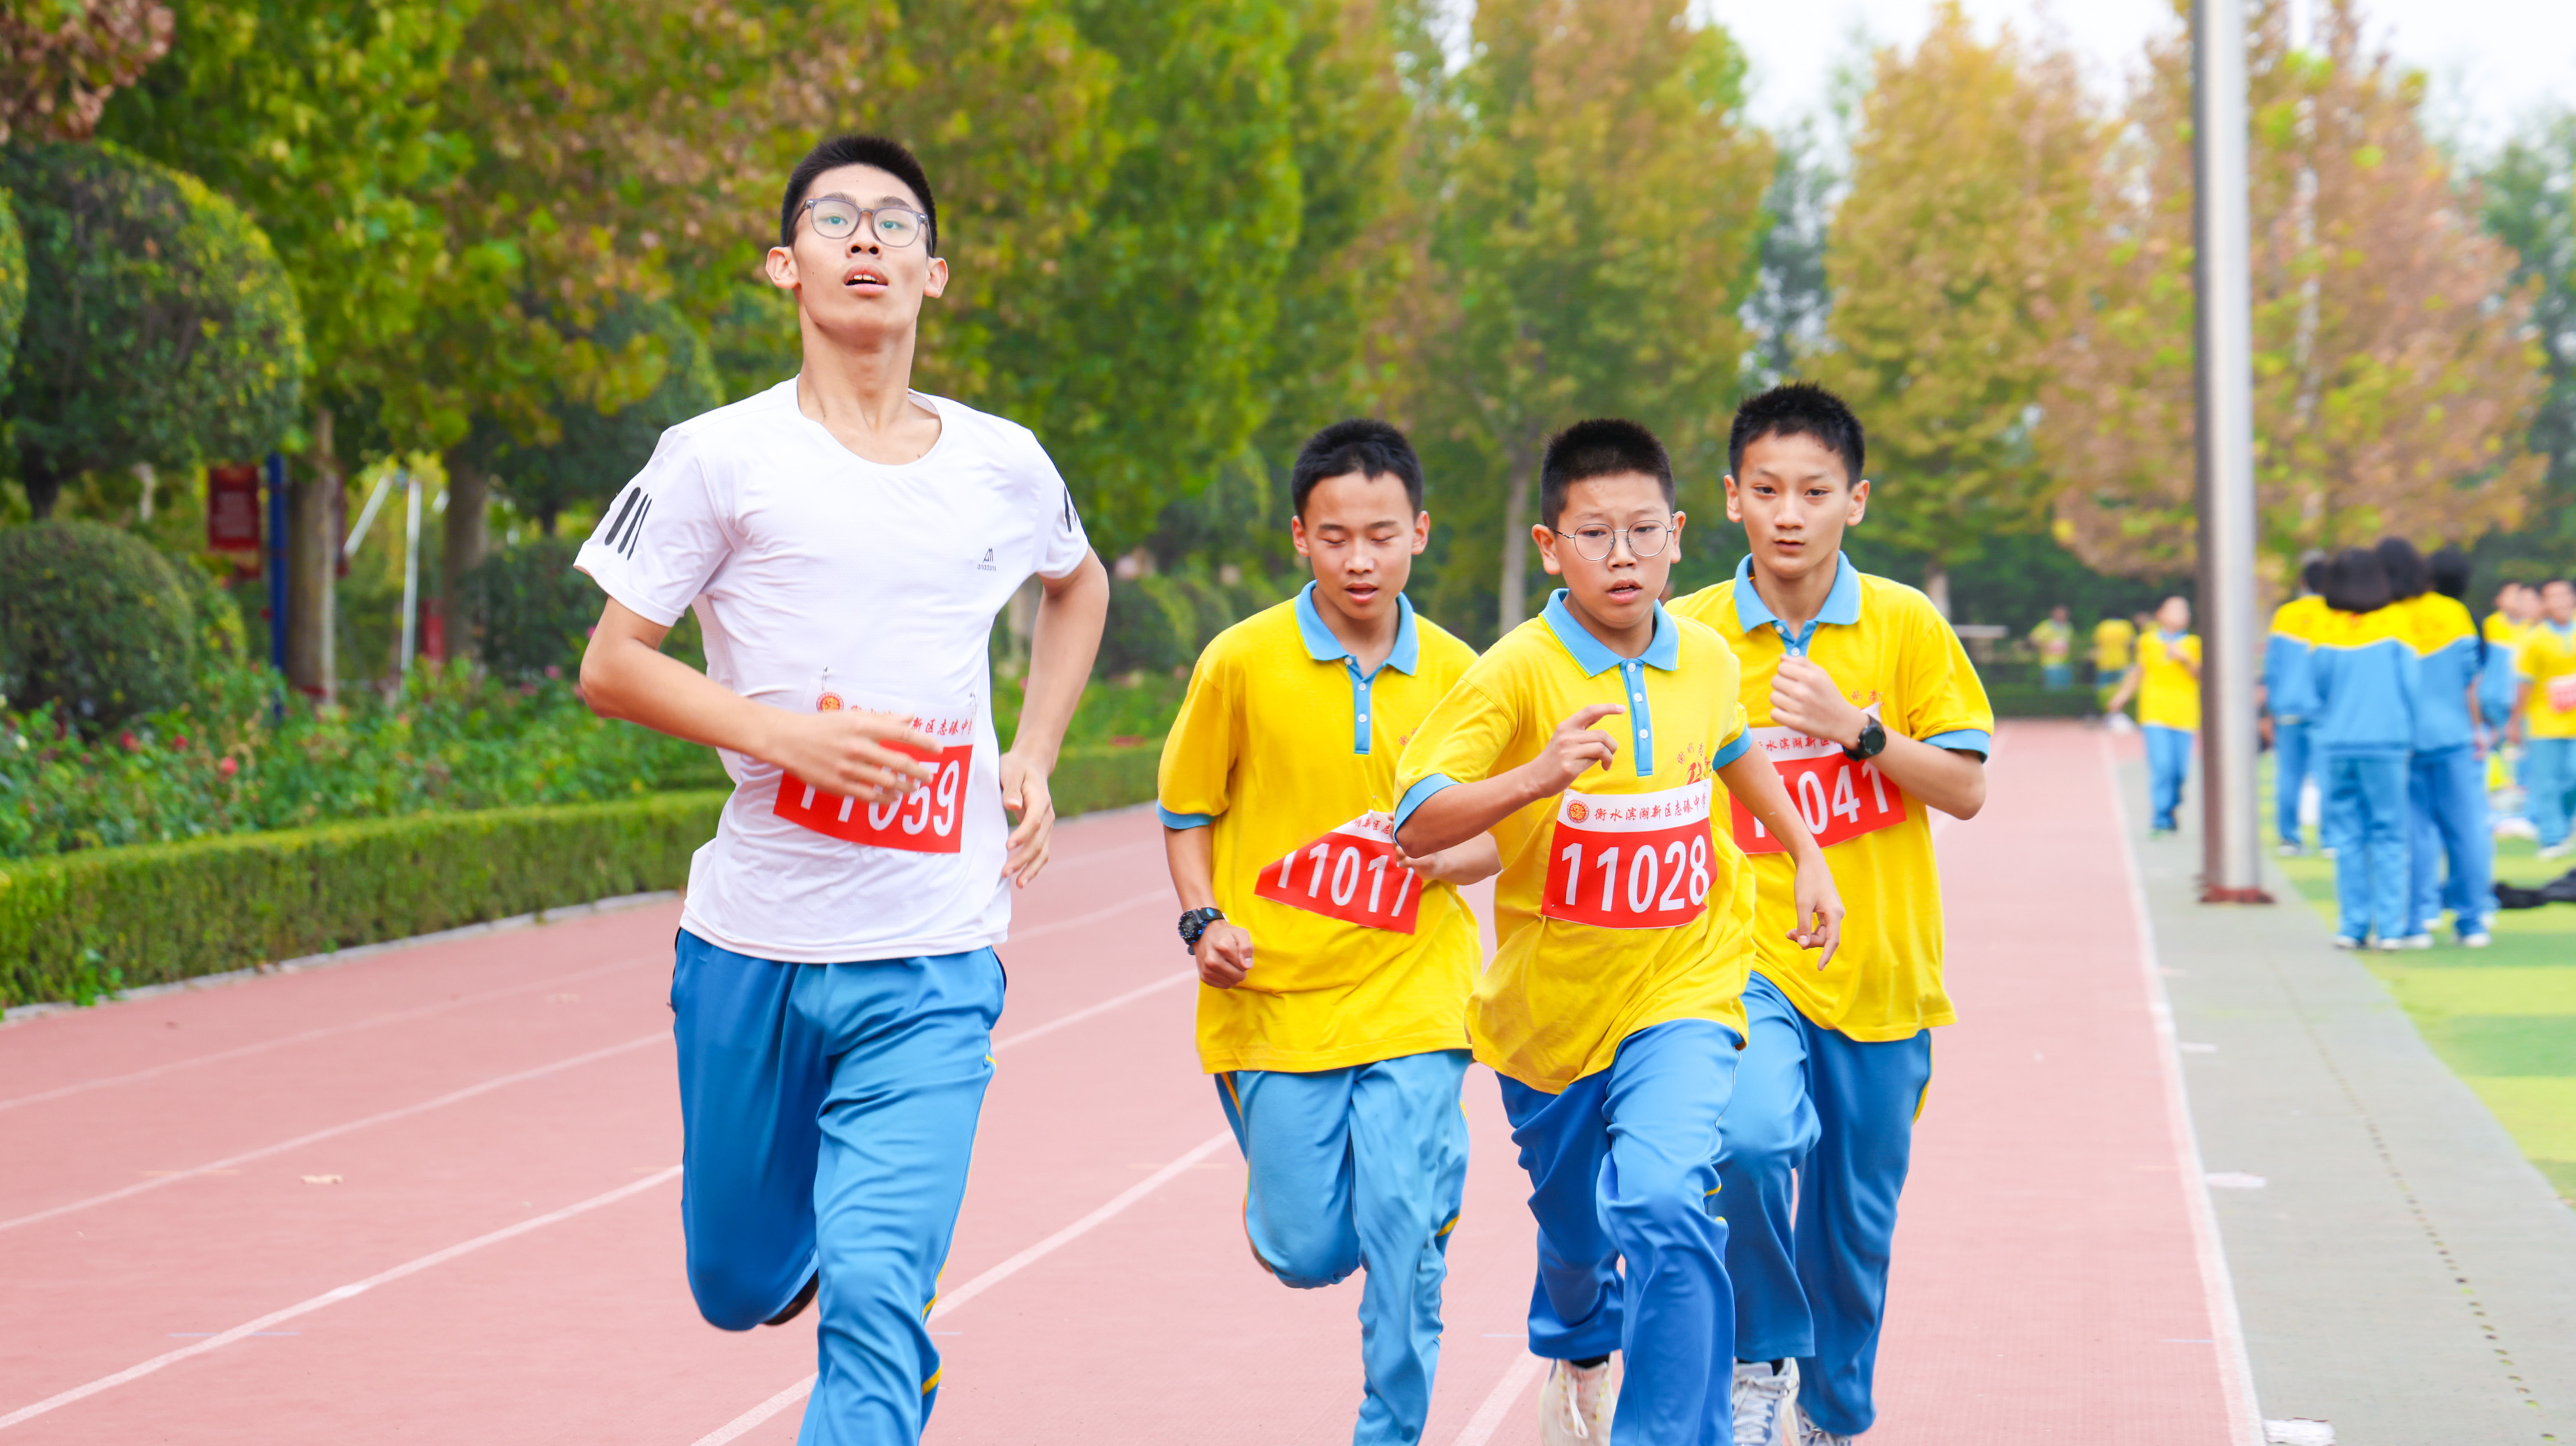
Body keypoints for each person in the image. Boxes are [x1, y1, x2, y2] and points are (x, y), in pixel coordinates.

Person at [574, 134, 1111, 1445]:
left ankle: (882, 1351)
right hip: (753, 940)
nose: (865, 237)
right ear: (785, 265)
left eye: (893, 221)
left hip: (933, 947)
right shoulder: (715, 455)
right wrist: (782, 738)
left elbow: (1077, 582)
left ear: (936, 273)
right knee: (733, 1280)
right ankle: (823, 1277)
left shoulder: (1002, 461)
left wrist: (1033, 751)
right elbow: (610, 665)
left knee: (875, 1296)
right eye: (833, 218)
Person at [1391, 419, 1845, 1446]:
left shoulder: (1707, 659)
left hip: (1684, 986)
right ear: (1552, 547)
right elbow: (1418, 817)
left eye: (1644, 531)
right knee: (1577, 1238)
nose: (1624, 555)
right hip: (1552, 1019)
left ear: (1678, 535)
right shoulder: (1517, 669)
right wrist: (1534, 777)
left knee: (1666, 1200)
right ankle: (1581, 1340)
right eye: (1595, 534)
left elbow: (1733, 746)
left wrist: (1804, 849)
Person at [1155, 420, 1495, 1446]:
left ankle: (1391, 1426)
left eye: (1382, 536)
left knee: (1401, 1222)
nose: (1360, 560)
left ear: (1419, 533)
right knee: (1307, 1250)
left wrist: (1447, 862)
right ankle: (1386, 1206)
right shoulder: (1241, 660)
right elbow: (1187, 808)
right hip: (1273, 996)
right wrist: (1203, 920)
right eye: (1336, 537)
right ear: (1301, 536)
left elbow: (1503, 833)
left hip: (1414, 982)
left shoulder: (1463, 674)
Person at [1669, 383, 1993, 1446]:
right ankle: (1760, 1359)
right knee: (1750, 1140)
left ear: (1855, 500)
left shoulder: (1902, 623)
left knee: (1854, 1229)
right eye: (1766, 490)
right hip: (1740, 961)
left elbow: (1965, 786)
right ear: (1732, 499)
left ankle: (1832, 1414)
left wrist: (1859, 731)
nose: (1789, 513)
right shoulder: (1689, 635)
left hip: (1880, 971)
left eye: (1814, 491)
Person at [2310, 548, 2420, 948]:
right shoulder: (2397, 623)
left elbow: (2319, 687)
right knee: (2389, 834)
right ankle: (2390, 927)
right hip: (2386, 742)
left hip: (2339, 743)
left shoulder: (2325, 628)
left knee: (2348, 837)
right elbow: (2412, 687)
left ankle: (2352, 926)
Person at [2401, 543, 2491, 947]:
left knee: (2416, 833)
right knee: (2466, 830)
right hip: (2454, 736)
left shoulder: (2393, 614)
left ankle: (2418, 920)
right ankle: (2472, 921)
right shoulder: (2454, 613)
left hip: (2406, 741)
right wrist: (2477, 729)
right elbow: (2470, 680)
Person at [2106, 597, 2199, 835]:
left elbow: (2201, 675)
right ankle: (2160, 818)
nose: (2182, 613)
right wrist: (2122, 695)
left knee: (2179, 772)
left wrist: (2184, 658)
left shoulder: (2194, 643)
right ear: (2161, 615)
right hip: (2154, 712)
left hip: (2184, 714)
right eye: (2175, 609)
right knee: (2162, 765)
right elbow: (2139, 670)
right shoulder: (2147, 641)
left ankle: (2172, 804)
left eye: (2184, 609)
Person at [2265, 559, 2330, 854]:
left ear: (2303, 583)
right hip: (2324, 709)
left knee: (2289, 776)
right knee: (2327, 776)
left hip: (2288, 707)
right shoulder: (2336, 613)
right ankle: (2330, 838)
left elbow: (2273, 666)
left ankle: (2289, 838)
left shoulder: (2285, 615)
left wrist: (2272, 705)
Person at [2517, 578, 2576, 859]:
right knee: (2548, 782)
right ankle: (2552, 837)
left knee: (2572, 776)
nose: (2560, 601)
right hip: (2545, 721)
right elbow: (2524, 682)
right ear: (2545, 603)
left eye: (2565, 595)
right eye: (2553, 597)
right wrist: (2515, 720)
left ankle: (2564, 824)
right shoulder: (2535, 638)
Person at [2091, 611, 2136, 715]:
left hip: (2104, 662)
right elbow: (2130, 644)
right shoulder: (2125, 626)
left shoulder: (2103, 626)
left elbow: (2097, 643)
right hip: (2121, 661)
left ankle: (2101, 712)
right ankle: (2118, 713)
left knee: (2102, 690)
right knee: (2120, 689)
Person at [2028, 605, 2074, 691]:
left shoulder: (2068, 627)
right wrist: (2047, 647)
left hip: (2065, 663)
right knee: (2053, 688)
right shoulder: (2046, 626)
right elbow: (2032, 639)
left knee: (2065, 689)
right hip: (2051, 663)